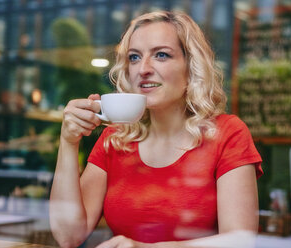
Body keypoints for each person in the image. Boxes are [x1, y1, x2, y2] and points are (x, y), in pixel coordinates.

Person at [50, 10, 263, 248]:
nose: (143, 69)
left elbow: (240, 241)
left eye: (161, 55)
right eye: (134, 57)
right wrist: (69, 142)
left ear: (191, 67)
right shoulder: (116, 139)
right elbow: (68, 236)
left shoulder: (228, 133)